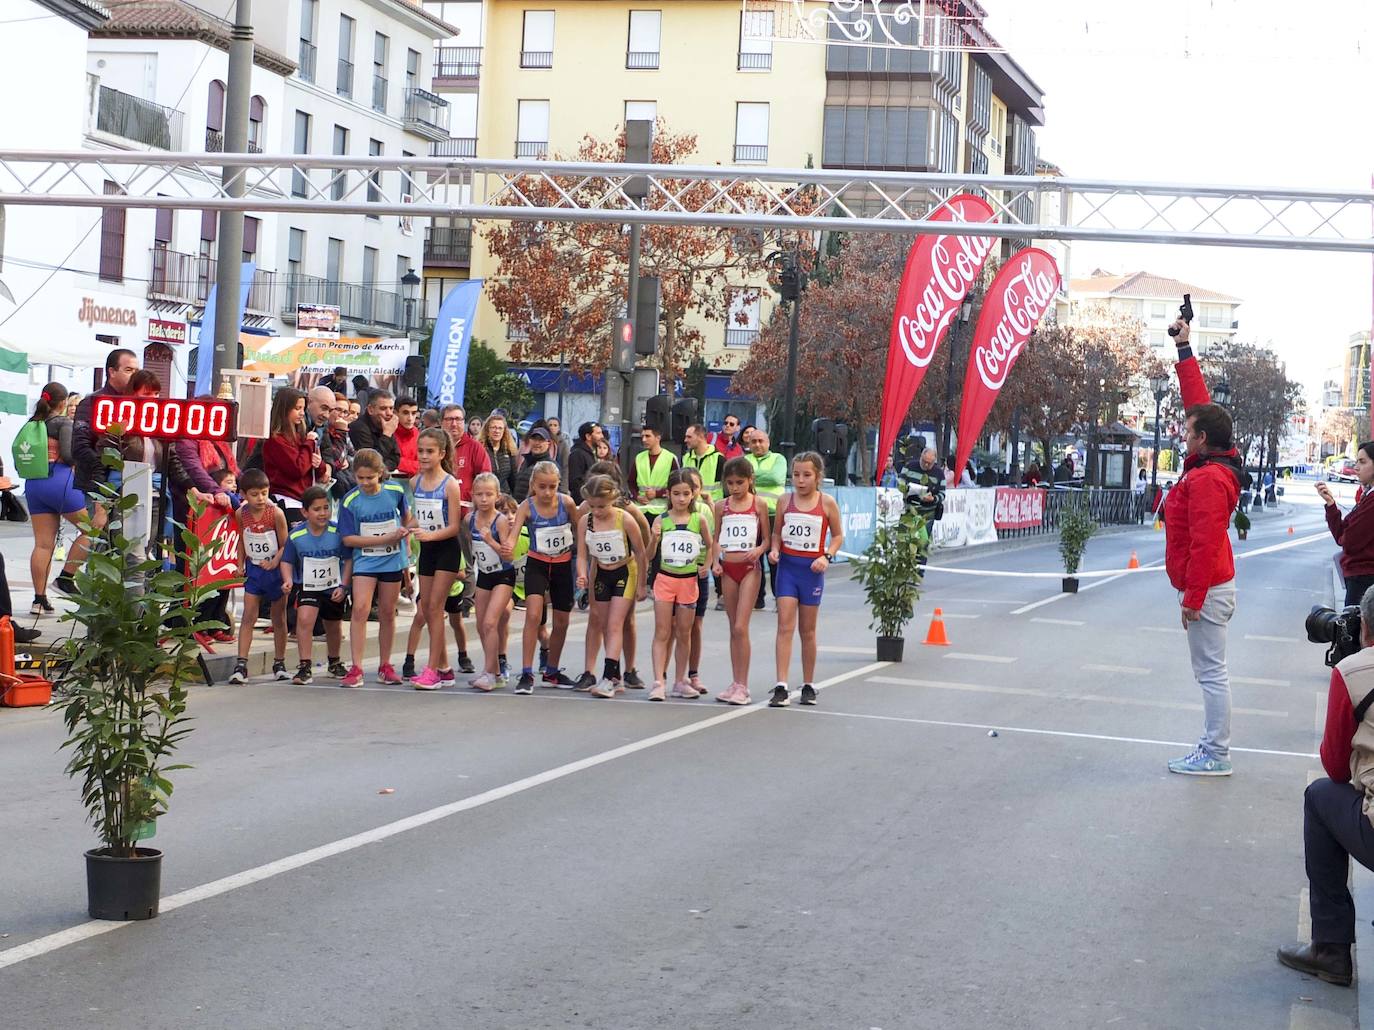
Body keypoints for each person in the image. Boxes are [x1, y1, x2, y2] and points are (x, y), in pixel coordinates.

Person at [1275, 586, 1374, 987]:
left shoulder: (1353, 673)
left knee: (1319, 797)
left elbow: (1334, 767)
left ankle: (1331, 949)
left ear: (1365, 626)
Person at [1163, 317, 1243, 776]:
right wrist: (1185, 350)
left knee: (1211, 674)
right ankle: (1214, 750)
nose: (1184, 433)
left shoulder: (1210, 477)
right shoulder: (1213, 459)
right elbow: (1202, 406)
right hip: (1210, 585)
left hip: (1208, 588)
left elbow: (1205, 541)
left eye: (1189, 431)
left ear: (1203, 439)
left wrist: (1192, 598)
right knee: (1211, 672)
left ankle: (1216, 752)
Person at [768, 451, 844, 709]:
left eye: (806, 475)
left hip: (811, 571)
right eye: (796, 475)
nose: (800, 480)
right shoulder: (783, 501)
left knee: (807, 630)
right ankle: (781, 685)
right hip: (788, 569)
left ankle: (808, 684)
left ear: (818, 477)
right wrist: (775, 549)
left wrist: (827, 556)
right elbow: (776, 533)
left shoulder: (826, 503)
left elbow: (837, 536)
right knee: (784, 626)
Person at [574, 459, 649, 692]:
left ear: (612, 498)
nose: (596, 511)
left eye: (601, 506)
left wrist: (642, 584)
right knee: (604, 622)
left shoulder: (626, 515)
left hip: (625, 570)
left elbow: (642, 549)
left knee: (618, 623)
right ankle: (612, 675)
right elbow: (582, 554)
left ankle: (610, 678)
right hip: (601, 571)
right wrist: (581, 575)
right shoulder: (585, 518)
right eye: (592, 506)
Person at [338, 448, 411, 687]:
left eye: (370, 478)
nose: (366, 483)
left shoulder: (396, 491)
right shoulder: (350, 500)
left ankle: (385, 664)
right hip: (365, 561)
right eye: (361, 478)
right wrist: (384, 539)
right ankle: (356, 667)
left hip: (392, 560)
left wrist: (405, 546)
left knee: (388, 612)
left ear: (381, 473)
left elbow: (406, 519)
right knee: (360, 609)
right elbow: (348, 539)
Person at [504, 460, 578, 688]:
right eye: (542, 487)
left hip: (563, 566)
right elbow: (514, 532)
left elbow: (580, 528)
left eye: (552, 487)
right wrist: (508, 545)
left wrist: (583, 562)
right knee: (533, 616)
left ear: (558, 485)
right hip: (537, 564)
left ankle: (552, 670)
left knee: (562, 621)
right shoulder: (527, 506)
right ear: (533, 485)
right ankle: (526, 673)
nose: (547, 492)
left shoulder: (567, 504)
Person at [23, 382, 92, 611]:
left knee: (43, 544)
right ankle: (66, 577)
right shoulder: (63, 423)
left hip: (34, 483)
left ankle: (39, 600)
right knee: (93, 530)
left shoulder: (33, 423)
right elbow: (71, 456)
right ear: (63, 403)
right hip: (59, 481)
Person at [646, 469, 712, 701]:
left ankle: (680, 680)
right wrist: (654, 538)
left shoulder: (699, 519)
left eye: (686, 494)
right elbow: (649, 555)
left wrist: (707, 565)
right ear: (669, 495)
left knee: (684, 633)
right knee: (662, 631)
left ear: (693, 495)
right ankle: (658, 681)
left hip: (689, 582)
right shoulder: (661, 520)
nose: (681, 499)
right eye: (676, 494)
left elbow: (711, 545)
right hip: (665, 580)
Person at [406, 428, 465, 690]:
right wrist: (406, 527)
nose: (424, 456)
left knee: (436, 608)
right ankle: (444, 668)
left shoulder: (450, 484)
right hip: (426, 550)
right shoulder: (414, 482)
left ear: (442, 454)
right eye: (420, 451)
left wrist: (431, 536)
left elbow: (454, 526)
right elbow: (419, 517)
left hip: (446, 549)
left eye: (430, 451)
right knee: (427, 608)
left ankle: (431, 670)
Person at [710, 456, 771, 705]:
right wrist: (715, 561)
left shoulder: (759, 505)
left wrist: (759, 550)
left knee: (740, 627)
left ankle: (743, 686)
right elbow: (715, 538)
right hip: (728, 569)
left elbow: (767, 538)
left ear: (750, 481)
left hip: (749, 569)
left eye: (739, 482)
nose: (735, 488)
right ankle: (735, 682)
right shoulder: (720, 506)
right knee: (732, 628)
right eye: (730, 483)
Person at [280, 485, 350, 684]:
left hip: (333, 587)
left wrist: (344, 586)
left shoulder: (338, 532)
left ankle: (334, 662)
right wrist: (288, 580)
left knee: (334, 625)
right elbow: (287, 560)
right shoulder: (296, 536)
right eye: (317, 509)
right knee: (304, 620)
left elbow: (348, 560)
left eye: (326, 508)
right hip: (308, 586)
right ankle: (304, 665)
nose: (323, 513)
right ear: (305, 512)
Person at [227, 468, 290, 685]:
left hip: (275, 571)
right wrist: (238, 563)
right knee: (248, 616)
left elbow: (286, 545)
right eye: (255, 494)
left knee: (278, 617)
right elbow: (242, 539)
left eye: (264, 493)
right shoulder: (241, 514)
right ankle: (241, 664)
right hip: (254, 570)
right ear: (243, 494)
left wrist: (274, 562)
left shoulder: (276, 514)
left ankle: (279, 662)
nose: (261, 498)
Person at [466, 471, 517, 691]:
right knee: (481, 625)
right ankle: (494, 672)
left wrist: (490, 540)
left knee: (489, 623)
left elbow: (508, 555)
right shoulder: (469, 520)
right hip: (484, 574)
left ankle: (488, 673)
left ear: (497, 496)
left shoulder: (501, 521)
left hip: (503, 575)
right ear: (472, 495)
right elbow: (469, 548)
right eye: (479, 494)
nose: (484, 499)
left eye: (488, 494)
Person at [71, 347, 139, 500]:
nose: (135, 376)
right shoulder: (91, 403)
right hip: (98, 486)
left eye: (137, 371)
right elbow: (80, 446)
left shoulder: (137, 404)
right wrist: (102, 472)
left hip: (132, 485)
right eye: (128, 370)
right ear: (112, 371)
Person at [1318, 442, 1374, 606]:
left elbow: (1348, 542)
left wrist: (1345, 534)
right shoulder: (1367, 496)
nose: (1356, 467)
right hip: (1359, 578)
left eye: (1362, 462)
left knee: (1354, 629)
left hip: (1365, 579)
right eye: (1357, 461)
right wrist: (1330, 504)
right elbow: (1341, 535)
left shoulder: (1371, 501)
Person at [263, 387, 325, 520]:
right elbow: (297, 469)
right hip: (287, 501)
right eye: (297, 409)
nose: (302, 413)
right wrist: (309, 444)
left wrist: (319, 463)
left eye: (303, 408)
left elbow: (320, 473)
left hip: (305, 501)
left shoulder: (300, 436)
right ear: (284, 409)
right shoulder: (276, 441)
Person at [747, 430, 786, 610]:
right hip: (751, 515)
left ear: (768, 442)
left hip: (773, 515)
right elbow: (742, 479)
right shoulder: (745, 460)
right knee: (755, 559)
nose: (757, 444)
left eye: (760, 441)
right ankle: (757, 598)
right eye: (753, 441)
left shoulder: (779, 459)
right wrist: (761, 476)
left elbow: (776, 477)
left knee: (774, 557)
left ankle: (779, 598)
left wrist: (753, 477)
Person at [440, 403, 492, 512]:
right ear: (441, 422)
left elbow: (485, 479)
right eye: (449, 419)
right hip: (437, 510)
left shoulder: (475, 447)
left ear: (464, 422)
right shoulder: (434, 446)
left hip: (465, 512)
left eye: (458, 419)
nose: (454, 424)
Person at [631, 423, 679, 518]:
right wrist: (636, 496)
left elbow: (677, 485)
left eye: (648, 436)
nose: (644, 439)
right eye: (642, 436)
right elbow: (631, 482)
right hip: (641, 510)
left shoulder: (670, 458)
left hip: (662, 509)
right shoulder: (639, 457)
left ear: (658, 438)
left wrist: (657, 493)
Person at [349, 389, 400, 474]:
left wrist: (381, 469)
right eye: (383, 408)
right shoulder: (358, 428)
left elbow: (395, 458)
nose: (389, 413)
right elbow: (369, 462)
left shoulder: (387, 425)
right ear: (370, 409)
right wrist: (386, 434)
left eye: (391, 408)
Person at [899, 447, 945, 525]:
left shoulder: (939, 474)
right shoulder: (909, 467)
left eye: (929, 463)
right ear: (921, 456)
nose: (926, 465)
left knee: (924, 537)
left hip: (928, 515)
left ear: (934, 462)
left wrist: (933, 499)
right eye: (924, 461)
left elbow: (942, 494)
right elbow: (900, 484)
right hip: (909, 512)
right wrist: (906, 489)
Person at [480, 411, 518, 496]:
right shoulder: (480, 450)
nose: (496, 431)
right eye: (493, 427)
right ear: (487, 430)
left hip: (504, 498)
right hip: (485, 496)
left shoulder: (509, 450)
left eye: (500, 428)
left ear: (504, 431)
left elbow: (514, 478)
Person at [683, 424, 724, 502]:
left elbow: (727, 487)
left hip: (711, 507)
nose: (685, 440)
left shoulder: (719, 458)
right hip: (691, 506)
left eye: (689, 437)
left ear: (701, 437)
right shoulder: (686, 457)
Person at [514, 424, 555, 502]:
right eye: (534, 439)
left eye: (541, 440)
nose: (537, 443)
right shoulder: (525, 461)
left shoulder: (550, 466)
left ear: (548, 443)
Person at [568, 421, 603, 503]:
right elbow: (575, 482)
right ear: (588, 436)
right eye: (598, 433)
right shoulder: (577, 454)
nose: (602, 436)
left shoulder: (591, 453)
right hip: (583, 503)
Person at [393, 396, 420, 479]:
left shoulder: (419, 435)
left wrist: (398, 463)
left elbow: (424, 465)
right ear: (395, 413)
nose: (410, 418)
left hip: (414, 484)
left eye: (414, 413)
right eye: (405, 413)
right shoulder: (387, 433)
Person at [545, 416, 571, 481]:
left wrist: (564, 487)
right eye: (550, 425)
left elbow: (566, 465)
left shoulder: (563, 444)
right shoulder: (543, 441)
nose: (552, 427)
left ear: (559, 428)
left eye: (555, 425)